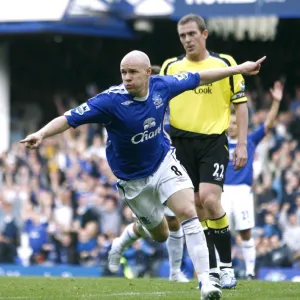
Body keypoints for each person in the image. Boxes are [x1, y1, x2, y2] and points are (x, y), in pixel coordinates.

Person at [21, 50, 265, 300]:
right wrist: (41, 134)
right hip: (133, 180)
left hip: (162, 162)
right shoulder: (109, 101)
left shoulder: (162, 86)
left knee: (188, 211)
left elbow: (202, 77)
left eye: (132, 72)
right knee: (160, 234)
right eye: (123, 72)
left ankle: (206, 283)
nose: (126, 78)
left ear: (148, 73)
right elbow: (68, 118)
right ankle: (123, 241)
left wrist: (238, 69)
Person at [160, 14, 249, 289]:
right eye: (182, 36)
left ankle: (226, 267)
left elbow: (240, 104)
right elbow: (159, 101)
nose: (187, 40)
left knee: (210, 201)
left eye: (191, 34)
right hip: (179, 142)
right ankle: (209, 271)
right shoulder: (170, 66)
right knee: (195, 208)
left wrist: (243, 143)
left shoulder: (225, 63)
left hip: (212, 141)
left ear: (205, 34)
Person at [223, 80, 283, 279]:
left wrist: (276, 103)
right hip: (222, 191)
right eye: (230, 123)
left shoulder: (248, 140)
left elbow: (268, 126)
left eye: (235, 123)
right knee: (219, 231)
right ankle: (220, 270)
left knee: (246, 232)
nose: (232, 126)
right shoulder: (217, 143)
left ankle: (249, 272)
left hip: (242, 191)